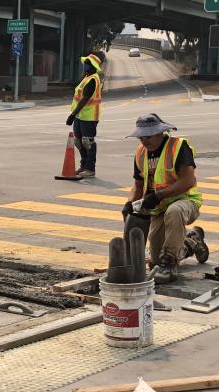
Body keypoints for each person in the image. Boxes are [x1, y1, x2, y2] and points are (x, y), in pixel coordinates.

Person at [122, 113, 208, 283]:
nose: (144, 140)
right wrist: (130, 203)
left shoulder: (178, 147)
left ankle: (169, 264)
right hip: (159, 207)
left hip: (185, 200)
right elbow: (138, 185)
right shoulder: (141, 153)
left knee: (174, 212)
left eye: (149, 136)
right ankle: (192, 242)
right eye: (141, 137)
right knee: (154, 261)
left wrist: (158, 195)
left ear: (161, 132)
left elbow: (188, 180)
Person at [65, 51, 104, 177]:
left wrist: (72, 115)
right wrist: (75, 114)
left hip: (89, 116)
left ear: (93, 67)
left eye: (87, 64)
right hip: (80, 116)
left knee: (88, 141)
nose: (85, 66)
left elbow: (84, 99)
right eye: (85, 63)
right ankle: (84, 165)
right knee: (78, 141)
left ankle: (90, 168)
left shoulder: (93, 79)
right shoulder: (87, 77)